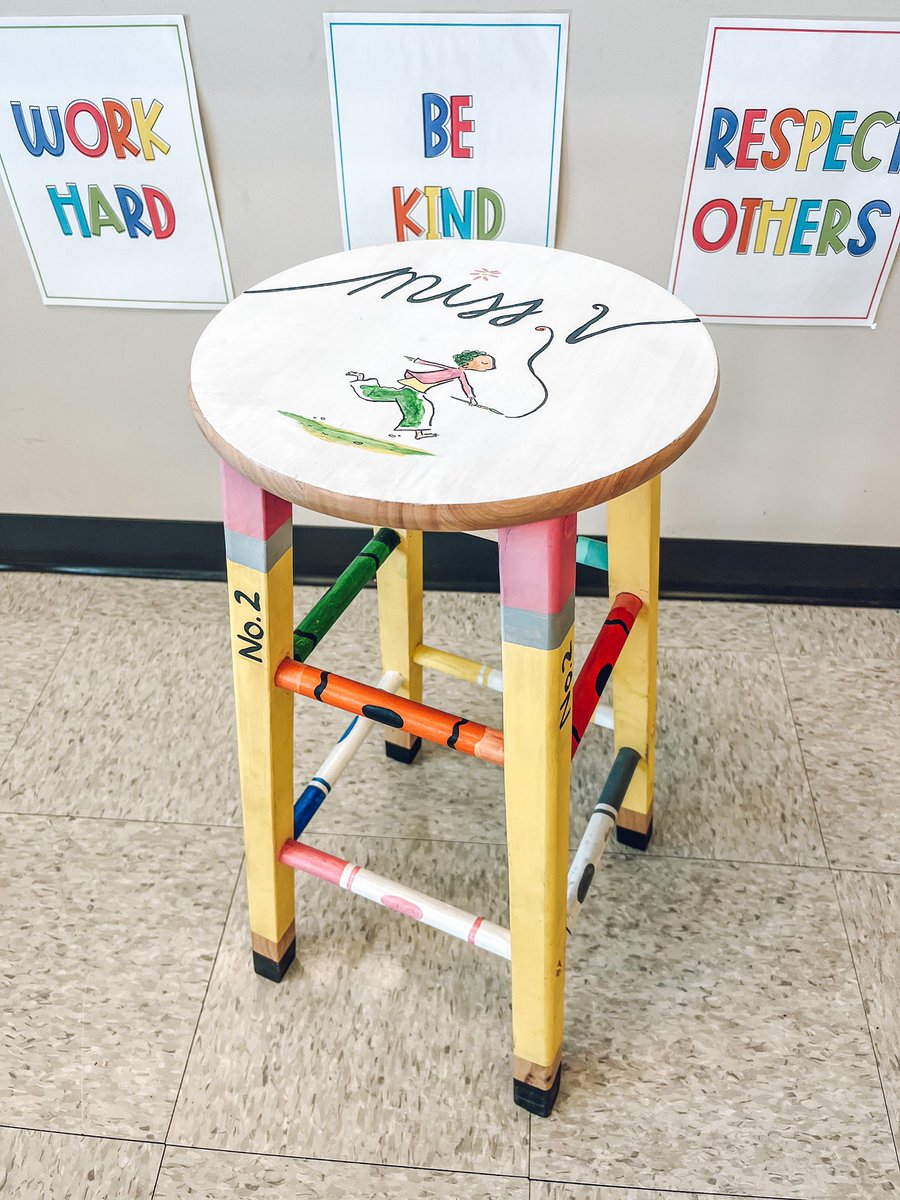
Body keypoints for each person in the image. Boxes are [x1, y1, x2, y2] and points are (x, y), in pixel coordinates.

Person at [347, 350, 496, 439]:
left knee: (394, 395)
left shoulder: (456, 371)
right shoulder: (458, 372)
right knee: (421, 407)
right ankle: (418, 433)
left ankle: (361, 381)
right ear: (468, 363)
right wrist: (471, 398)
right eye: (484, 364)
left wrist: (419, 361)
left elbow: (438, 367)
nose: (488, 367)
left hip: (415, 387)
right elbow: (465, 385)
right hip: (416, 386)